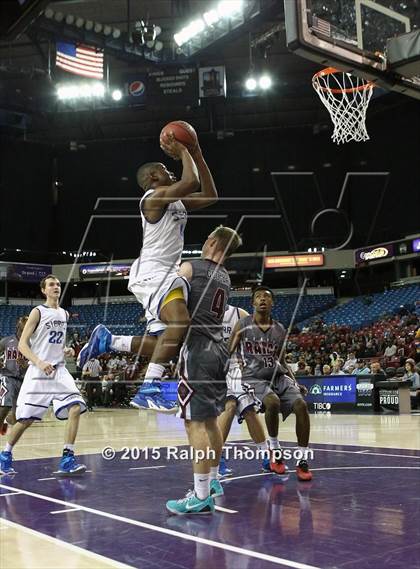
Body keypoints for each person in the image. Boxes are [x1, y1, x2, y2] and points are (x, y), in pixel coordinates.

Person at [78, 131, 218, 412]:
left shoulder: (174, 201)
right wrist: (183, 150)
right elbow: (190, 181)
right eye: (166, 169)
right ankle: (149, 388)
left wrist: (197, 153)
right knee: (180, 323)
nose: (171, 170)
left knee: (164, 342)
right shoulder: (152, 198)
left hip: (164, 274)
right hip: (155, 273)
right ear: (154, 177)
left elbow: (211, 195)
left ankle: (109, 340)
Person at [166, 226, 242, 515]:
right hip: (218, 351)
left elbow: (170, 298)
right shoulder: (226, 278)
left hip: (197, 350)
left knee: (194, 423)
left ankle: (199, 495)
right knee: (211, 421)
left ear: (211, 241)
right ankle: (213, 481)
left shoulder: (193, 266)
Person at [0, 275, 87, 476]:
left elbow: (55, 342)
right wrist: (39, 361)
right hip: (38, 372)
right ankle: (5, 455)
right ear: (43, 290)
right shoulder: (37, 312)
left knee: (75, 407)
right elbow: (22, 344)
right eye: (51, 284)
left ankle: (67, 458)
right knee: (25, 420)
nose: (56, 287)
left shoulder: (64, 314)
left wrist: (66, 350)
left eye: (58, 284)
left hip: (59, 371)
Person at [229, 287, 313, 482]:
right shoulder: (242, 324)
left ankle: (302, 460)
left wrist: (295, 382)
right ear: (253, 303)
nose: (262, 299)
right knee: (272, 402)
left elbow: (282, 361)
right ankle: (275, 449)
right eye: (258, 297)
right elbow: (227, 351)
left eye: (266, 297)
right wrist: (232, 369)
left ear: (273, 303)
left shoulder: (279, 328)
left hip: (278, 376)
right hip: (253, 377)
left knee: (301, 405)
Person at [217, 304, 268, 478]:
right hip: (214, 368)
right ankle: (218, 459)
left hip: (236, 367)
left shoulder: (239, 314)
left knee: (249, 410)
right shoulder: (201, 312)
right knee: (229, 406)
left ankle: (266, 456)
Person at [0, 317, 28, 435]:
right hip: (8, 376)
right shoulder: (6, 341)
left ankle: (6, 421)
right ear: (18, 328)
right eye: (22, 330)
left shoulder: (32, 344)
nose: (24, 333)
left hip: (24, 380)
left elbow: (35, 363)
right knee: (5, 406)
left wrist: (26, 364)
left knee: (16, 417)